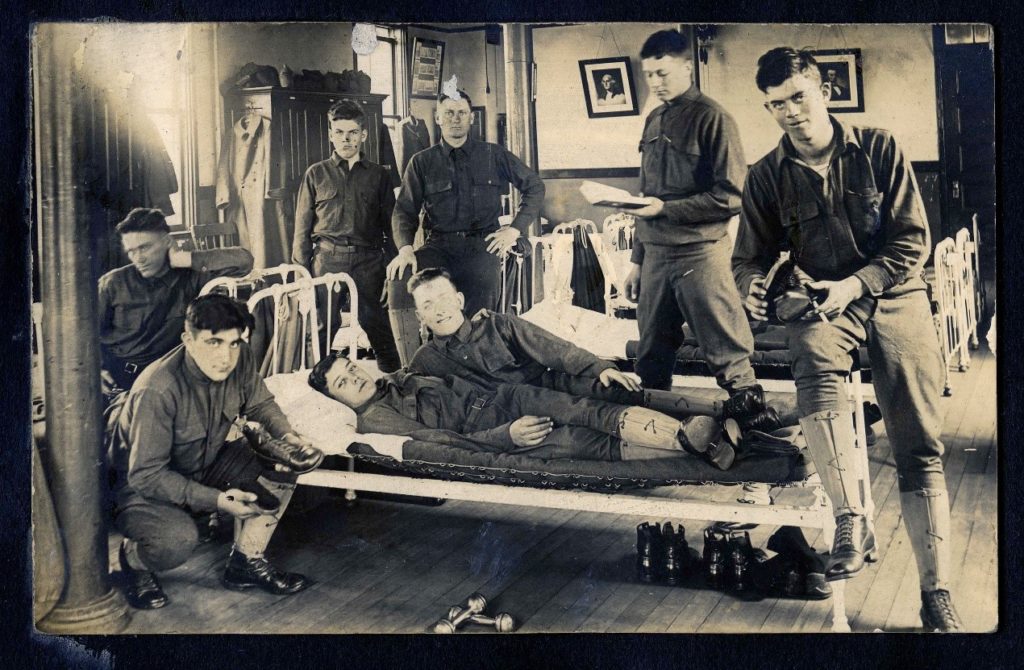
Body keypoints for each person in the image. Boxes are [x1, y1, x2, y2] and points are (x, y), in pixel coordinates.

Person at [733, 47, 962, 631]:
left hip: (896, 297)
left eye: (797, 97)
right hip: (823, 308)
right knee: (809, 349)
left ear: (824, 90)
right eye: (775, 105)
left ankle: (936, 594)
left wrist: (854, 285)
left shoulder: (879, 148)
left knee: (918, 448)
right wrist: (753, 287)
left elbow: (913, 242)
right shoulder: (765, 175)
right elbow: (746, 260)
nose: (788, 113)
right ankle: (849, 518)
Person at [112, 294, 321, 609]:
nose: (225, 356)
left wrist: (289, 437)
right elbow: (146, 475)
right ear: (188, 339)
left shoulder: (239, 357)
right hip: (140, 487)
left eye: (234, 343)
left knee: (284, 462)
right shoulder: (157, 390)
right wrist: (218, 502)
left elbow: (260, 402)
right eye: (213, 342)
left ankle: (245, 562)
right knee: (177, 541)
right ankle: (131, 562)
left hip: (203, 464)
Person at [405, 267, 783, 433]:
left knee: (620, 390)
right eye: (427, 305)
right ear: (420, 316)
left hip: (559, 382)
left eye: (442, 298)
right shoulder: (425, 361)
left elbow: (553, 348)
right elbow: (404, 392)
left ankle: (730, 411)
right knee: (597, 413)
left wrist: (597, 366)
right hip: (527, 409)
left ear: (458, 298)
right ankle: (706, 432)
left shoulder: (497, 323)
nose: (437, 309)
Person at [622, 29, 769, 422]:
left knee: (728, 350)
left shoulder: (713, 118)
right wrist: (637, 258)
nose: (655, 82)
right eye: (649, 74)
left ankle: (757, 435)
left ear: (687, 67)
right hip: (654, 254)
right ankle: (654, 435)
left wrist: (665, 210)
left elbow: (731, 196)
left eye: (663, 73)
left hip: (699, 253)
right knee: (651, 352)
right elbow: (645, 195)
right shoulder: (653, 119)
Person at [308, 353, 733, 466]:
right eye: (343, 382)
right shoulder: (375, 422)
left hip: (505, 398)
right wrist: (504, 437)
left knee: (587, 407)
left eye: (351, 367)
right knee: (582, 441)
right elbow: (440, 443)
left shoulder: (398, 377)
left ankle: (692, 436)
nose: (355, 376)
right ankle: (699, 443)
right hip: (500, 428)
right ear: (335, 399)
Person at [385, 89, 545, 366]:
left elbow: (535, 186)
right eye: (449, 113)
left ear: (471, 118)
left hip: (481, 246)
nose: (455, 119)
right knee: (399, 282)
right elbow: (404, 209)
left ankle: (477, 368)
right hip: (438, 246)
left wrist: (514, 229)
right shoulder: (422, 162)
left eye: (461, 113)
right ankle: (412, 368)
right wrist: (406, 249)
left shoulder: (493, 155)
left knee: (482, 294)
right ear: (438, 118)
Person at [291, 99, 401, 372]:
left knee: (376, 321)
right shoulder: (316, 174)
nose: (346, 139)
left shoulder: (378, 176)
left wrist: (391, 271)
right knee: (323, 326)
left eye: (352, 132)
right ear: (330, 134)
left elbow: (393, 227)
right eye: (339, 132)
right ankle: (318, 382)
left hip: (369, 261)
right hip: (328, 260)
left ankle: (394, 380)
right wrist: (301, 275)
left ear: (363, 135)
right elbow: (301, 229)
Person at [98, 208, 254, 394]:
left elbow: (244, 261)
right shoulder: (113, 284)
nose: (138, 258)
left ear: (167, 242)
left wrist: (186, 258)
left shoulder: (189, 277)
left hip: (168, 378)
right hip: (121, 379)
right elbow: (85, 333)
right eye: (131, 251)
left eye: (144, 248)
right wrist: (95, 371)